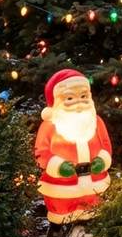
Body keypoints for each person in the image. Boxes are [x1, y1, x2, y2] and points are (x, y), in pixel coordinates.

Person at [34, 69, 112, 226]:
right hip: (62, 187)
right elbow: (41, 152)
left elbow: (106, 145)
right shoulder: (49, 126)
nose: (79, 102)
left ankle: (90, 230)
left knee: (92, 211)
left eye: (84, 96)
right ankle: (59, 231)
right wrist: (58, 166)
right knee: (61, 214)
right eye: (70, 98)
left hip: (94, 184)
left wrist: (102, 161)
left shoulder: (96, 122)